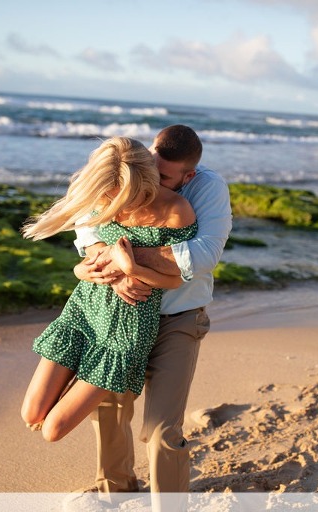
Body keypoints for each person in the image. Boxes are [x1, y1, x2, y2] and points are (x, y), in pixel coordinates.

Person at [72, 125, 232, 494]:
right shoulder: (133, 169)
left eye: (161, 178)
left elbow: (203, 256)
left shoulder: (208, 188)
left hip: (179, 317)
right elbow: (87, 232)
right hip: (122, 312)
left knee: (162, 429)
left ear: (187, 176)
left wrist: (126, 258)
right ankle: (117, 492)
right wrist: (113, 269)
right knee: (109, 408)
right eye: (148, 170)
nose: (148, 186)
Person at [19, 136, 197, 443]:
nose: (119, 207)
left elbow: (177, 278)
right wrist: (80, 270)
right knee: (31, 414)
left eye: (130, 197)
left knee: (52, 431)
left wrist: (133, 269)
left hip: (124, 331)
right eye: (112, 198)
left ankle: (88, 383)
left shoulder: (176, 211)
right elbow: (89, 256)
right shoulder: (102, 193)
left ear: (147, 180)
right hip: (83, 311)